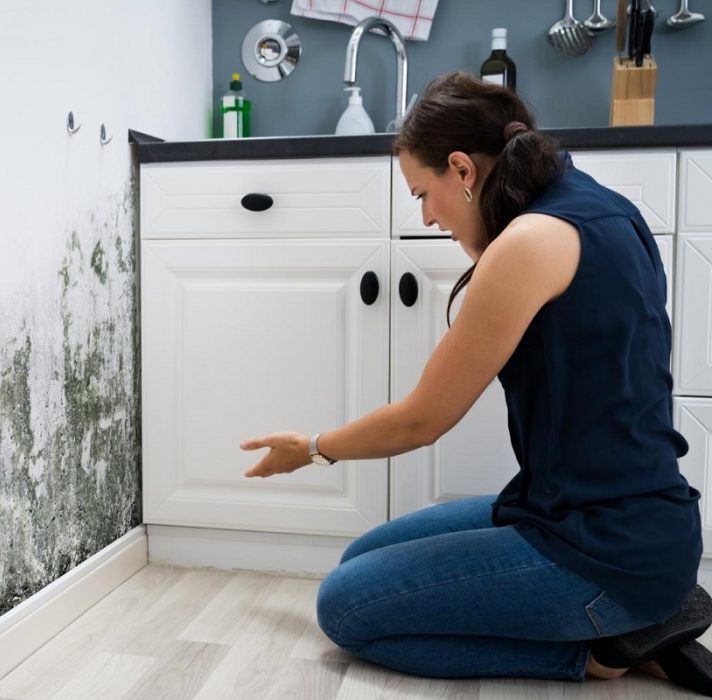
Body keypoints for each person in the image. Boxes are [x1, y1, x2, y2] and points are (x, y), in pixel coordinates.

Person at [240, 71, 712, 694]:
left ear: (462, 169)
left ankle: (608, 650)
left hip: (605, 551)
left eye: (421, 194)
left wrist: (311, 448)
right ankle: (644, 612)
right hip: (606, 518)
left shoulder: (529, 243)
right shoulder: (597, 206)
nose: (428, 217)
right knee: (361, 561)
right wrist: (480, 227)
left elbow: (421, 419)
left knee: (345, 609)